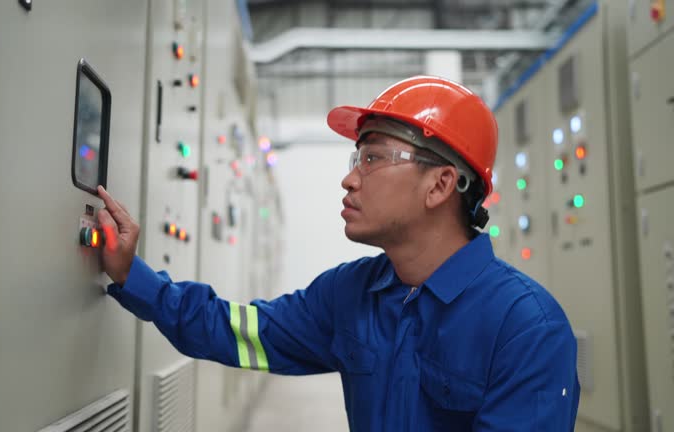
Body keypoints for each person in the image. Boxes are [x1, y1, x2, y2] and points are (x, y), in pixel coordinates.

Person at [96, 76, 580, 431]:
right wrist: (133, 276)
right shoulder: (353, 292)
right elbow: (239, 331)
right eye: (356, 160)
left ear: (440, 184)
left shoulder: (527, 327)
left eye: (372, 159)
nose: (350, 179)